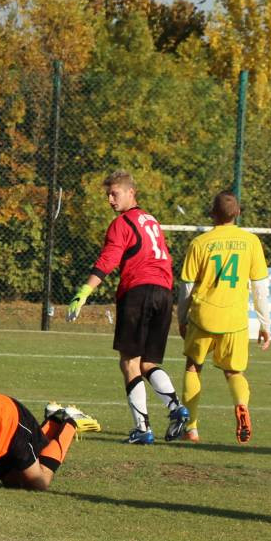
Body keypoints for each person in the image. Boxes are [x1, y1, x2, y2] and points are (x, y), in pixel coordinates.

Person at [66, 170, 188, 444]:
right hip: (164, 293)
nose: (110, 199)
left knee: (129, 362)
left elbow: (109, 258)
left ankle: (142, 429)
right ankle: (176, 408)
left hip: (139, 292)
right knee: (148, 363)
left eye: (115, 193)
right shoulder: (152, 221)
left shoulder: (122, 223)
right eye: (108, 195)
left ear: (131, 192)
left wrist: (85, 291)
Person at [177, 190, 271, 444]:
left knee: (193, 367)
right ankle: (241, 405)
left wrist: (182, 318)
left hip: (203, 317)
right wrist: (265, 324)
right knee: (234, 372)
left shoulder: (200, 243)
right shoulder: (251, 242)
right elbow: (260, 288)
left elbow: (186, 286)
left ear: (212, 214)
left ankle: (191, 429)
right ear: (237, 213)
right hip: (235, 320)